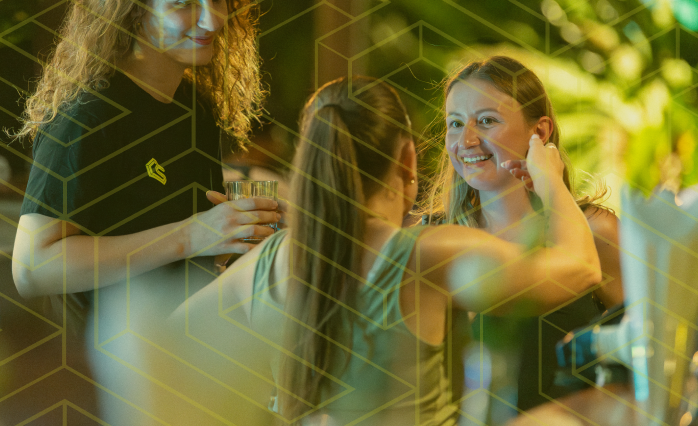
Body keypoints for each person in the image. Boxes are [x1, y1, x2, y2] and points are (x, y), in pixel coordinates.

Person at [171, 76, 602, 425]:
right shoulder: (429, 253)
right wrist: (548, 177)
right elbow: (581, 267)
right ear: (407, 160)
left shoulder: (268, 260)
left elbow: (165, 349)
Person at [10, 0, 275, 423]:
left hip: (189, 367)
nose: (211, 20)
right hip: (110, 385)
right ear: (133, 9)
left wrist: (232, 237)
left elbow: (184, 258)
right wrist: (191, 235)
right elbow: (33, 267)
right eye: (185, 3)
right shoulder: (87, 115)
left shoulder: (195, 110)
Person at [416, 55, 622, 414]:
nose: (466, 139)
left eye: (486, 121)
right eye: (455, 123)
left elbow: (652, 350)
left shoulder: (594, 230)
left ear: (539, 132)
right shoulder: (431, 239)